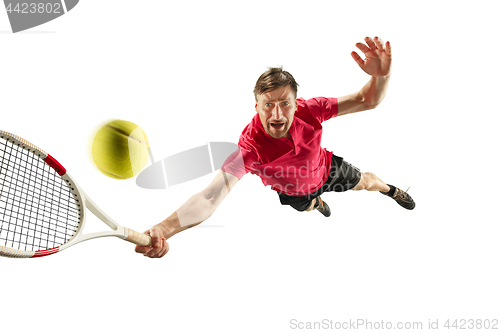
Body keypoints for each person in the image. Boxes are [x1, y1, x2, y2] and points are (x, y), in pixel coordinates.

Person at [135, 36, 415, 259]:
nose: (277, 115)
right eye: (268, 105)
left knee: (366, 183)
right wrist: (164, 229)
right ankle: (315, 203)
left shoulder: (312, 110)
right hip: (294, 192)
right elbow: (209, 198)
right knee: (306, 206)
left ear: (296, 103)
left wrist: (381, 77)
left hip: (327, 170)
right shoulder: (250, 149)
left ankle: (392, 191)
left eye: (285, 104)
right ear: (256, 106)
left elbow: (367, 100)